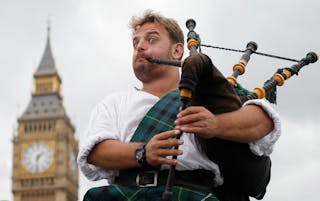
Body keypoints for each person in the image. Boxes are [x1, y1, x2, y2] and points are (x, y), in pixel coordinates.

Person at [78, 10, 281, 201]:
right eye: (135, 43)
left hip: (194, 193)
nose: (140, 47)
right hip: (127, 194)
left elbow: (263, 121)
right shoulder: (114, 103)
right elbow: (95, 151)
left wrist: (217, 124)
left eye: (151, 39)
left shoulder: (210, 95)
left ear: (177, 50)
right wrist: (143, 152)